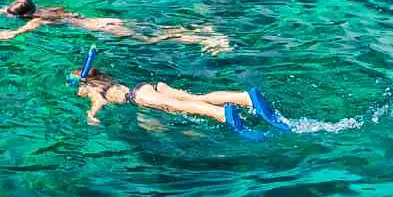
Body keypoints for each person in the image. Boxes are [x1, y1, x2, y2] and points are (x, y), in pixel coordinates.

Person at [71, 47, 291, 138]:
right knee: (195, 97)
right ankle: (244, 97)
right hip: (148, 86)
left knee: (181, 107)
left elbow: (97, 101)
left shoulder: (91, 88)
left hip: (138, 97)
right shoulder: (106, 79)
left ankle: (222, 114)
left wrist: (91, 115)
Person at [0, 0, 232, 55]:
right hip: (104, 21)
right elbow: (23, 5)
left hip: (107, 29)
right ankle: (201, 28)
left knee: (152, 41)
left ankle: (202, 40)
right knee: (155, 29)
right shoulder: (45, 10)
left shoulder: (39, 21)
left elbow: (10, 34)